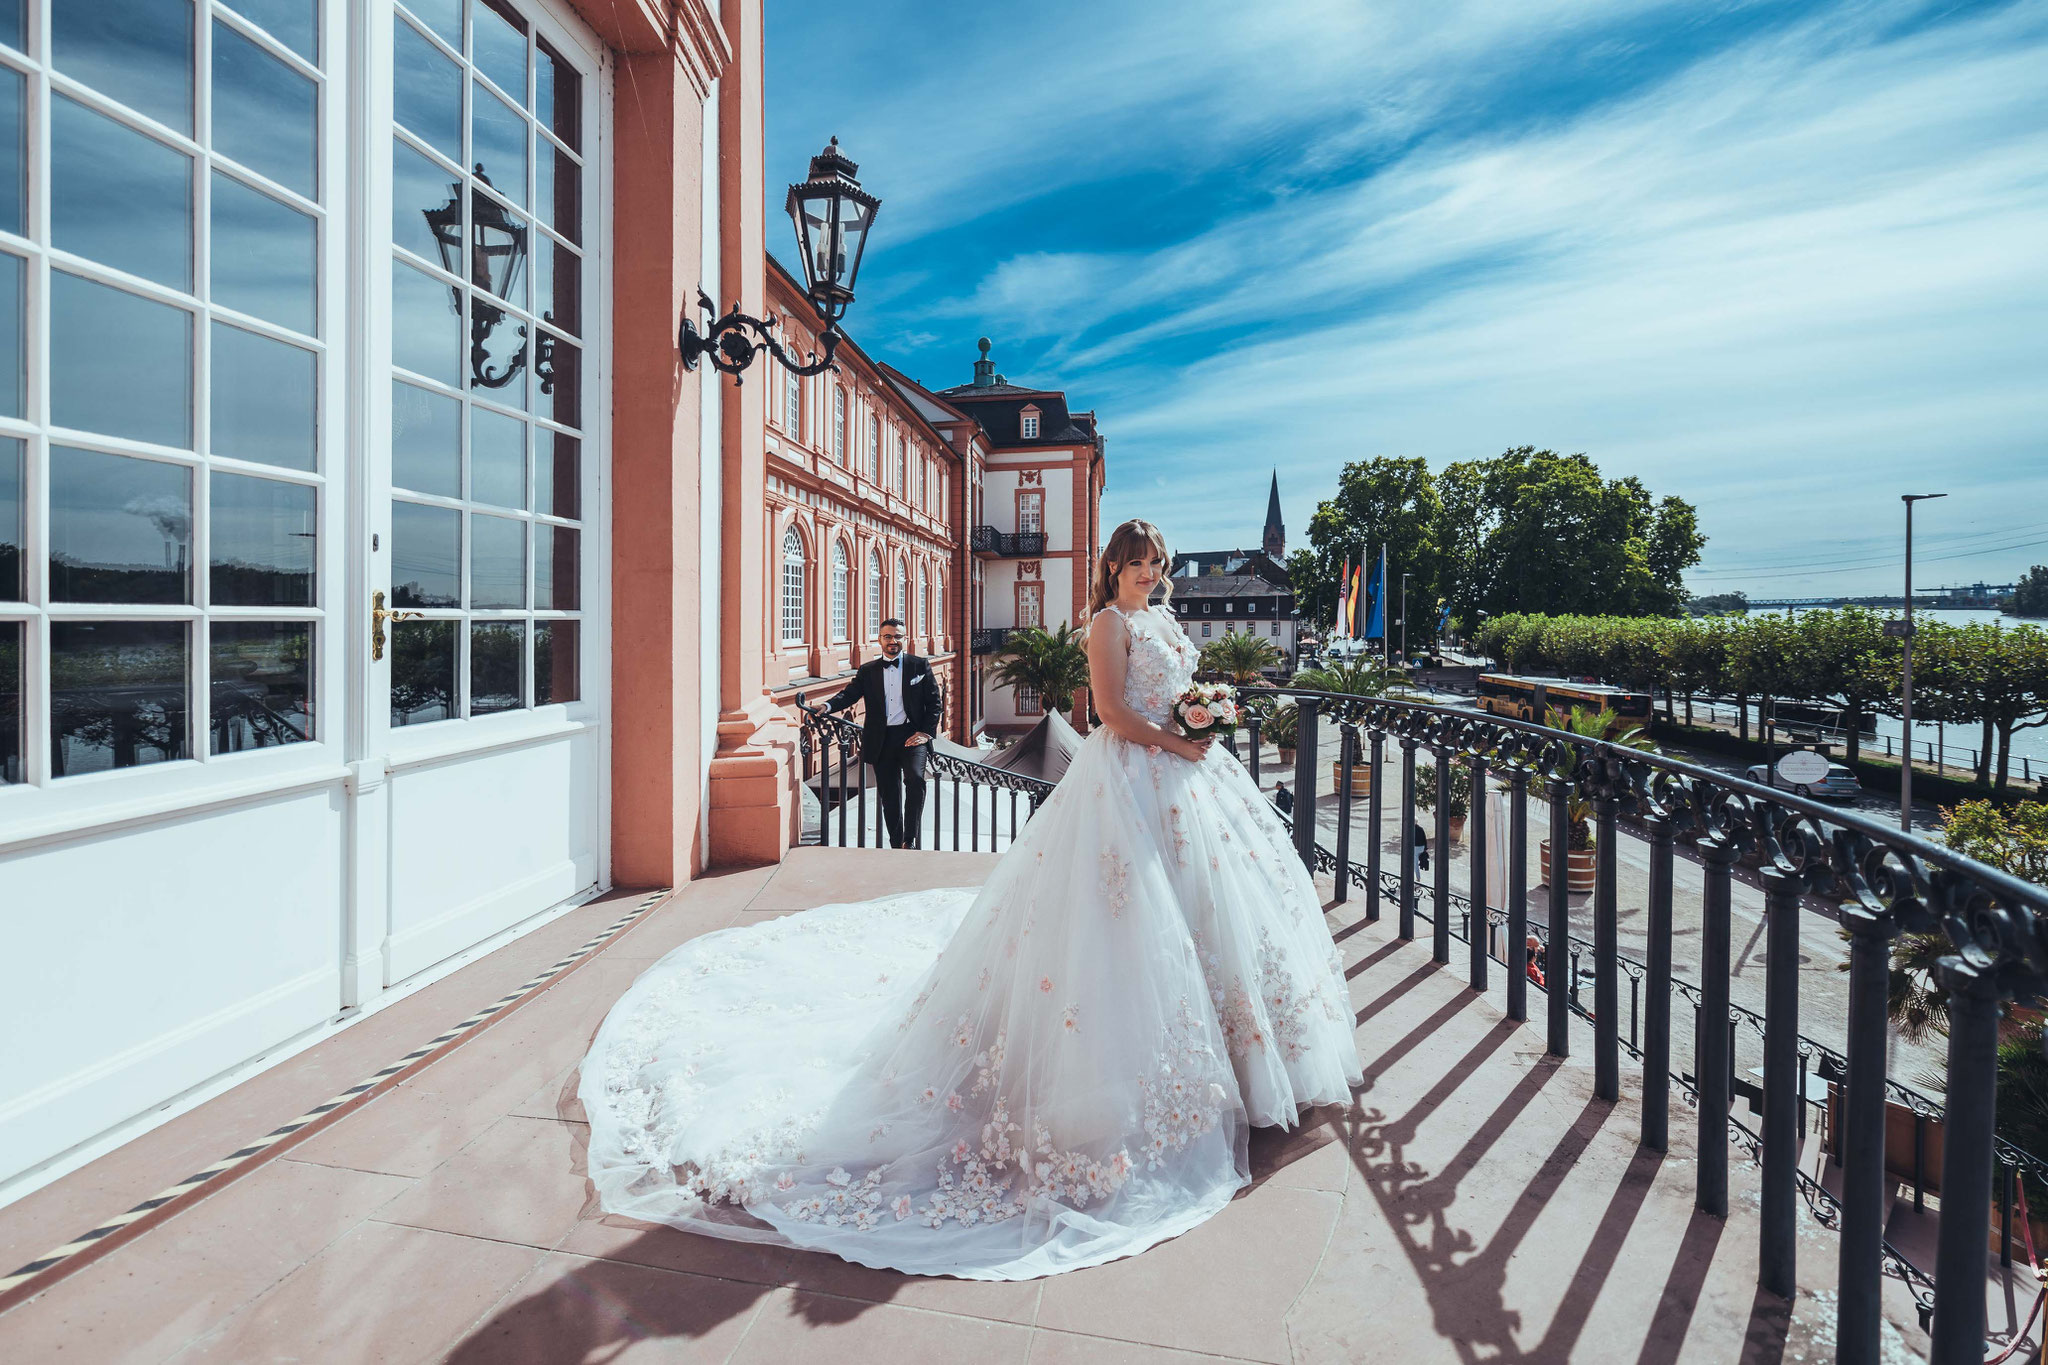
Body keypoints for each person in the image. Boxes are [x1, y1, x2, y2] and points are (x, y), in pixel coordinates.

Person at [580, 518, 1362, 1280]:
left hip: (1188, 780)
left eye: (1155, 564)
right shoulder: (1103, 625)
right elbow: (1112, 715)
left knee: (1212, 920)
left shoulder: (1160, 616)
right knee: (1125, 930)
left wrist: (1203, 716)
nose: (1149, 575)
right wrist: (1177, 737)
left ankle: (1252, 1064)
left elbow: (1178, 690)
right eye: (1136, 565)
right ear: (1113, 569)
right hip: (1133, 777)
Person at [808, 618, 941, 849]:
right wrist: (827, 707)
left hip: (912, 736)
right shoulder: (868, 671)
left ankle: (909, 838)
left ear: (904, 639)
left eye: (898, 636)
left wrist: (925, 733)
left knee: (916, 779)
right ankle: (896, 842)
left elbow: (935, 703)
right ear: (879, 640)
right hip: (882, 739)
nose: (893, 641)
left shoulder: (920, 665)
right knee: (889, 795)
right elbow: (849, 694)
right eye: (888, 636)